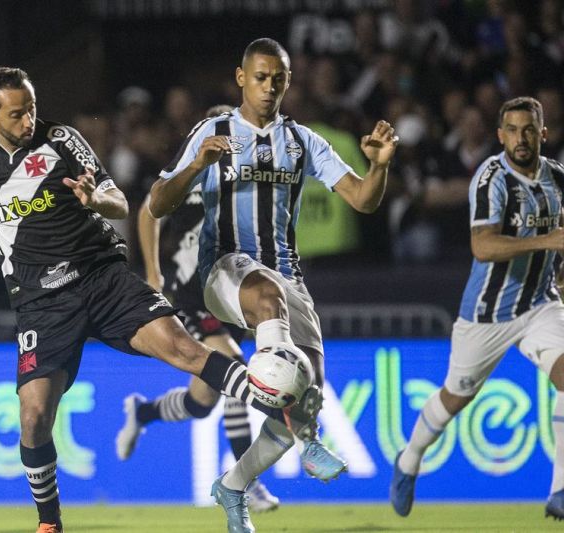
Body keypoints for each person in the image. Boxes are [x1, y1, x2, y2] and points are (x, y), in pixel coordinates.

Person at [0, 67, 312, 533]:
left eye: (32, 109)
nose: (28, 121)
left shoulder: (61, 139)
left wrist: (94, 200)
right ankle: (49, 522)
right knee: (34, 416)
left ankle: (279, 404)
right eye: (17, 114)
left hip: (102, 279)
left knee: (186, 350)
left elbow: (119, 202)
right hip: (42, 303)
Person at [149, 38, 398, 533]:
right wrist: (197, 165)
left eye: (277, 79)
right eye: (260, 77)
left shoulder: (302, 141)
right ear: (241, 78)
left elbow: (363, 200)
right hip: (224, 269)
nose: (268, 87)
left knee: (304, 394)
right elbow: (157, 203)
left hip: (288, 278)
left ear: (287, 82)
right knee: (267, 303)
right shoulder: (214, 130)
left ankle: (234, 486)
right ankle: (307, 439)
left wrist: (381, 165)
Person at [389, 96, 564, 520]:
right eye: (512, 130)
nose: (520, 139)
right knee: (455, 396)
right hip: (486, 315)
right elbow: (482, 246)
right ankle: (409, 459)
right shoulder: (490, 178)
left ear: (543, 133)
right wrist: (548, 241)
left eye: (529, 130)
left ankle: (559, 491)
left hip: (541, 305)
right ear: (500, 135)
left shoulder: (558, 179)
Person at [116, 104, 280, 513]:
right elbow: (147, 213)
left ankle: (144, 411)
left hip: (227, 293)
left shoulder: (244, 183)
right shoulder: (190, 173)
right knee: (233, 365)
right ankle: (246, 484)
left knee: (203, 400)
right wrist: (153, 272)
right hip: (188, 290)